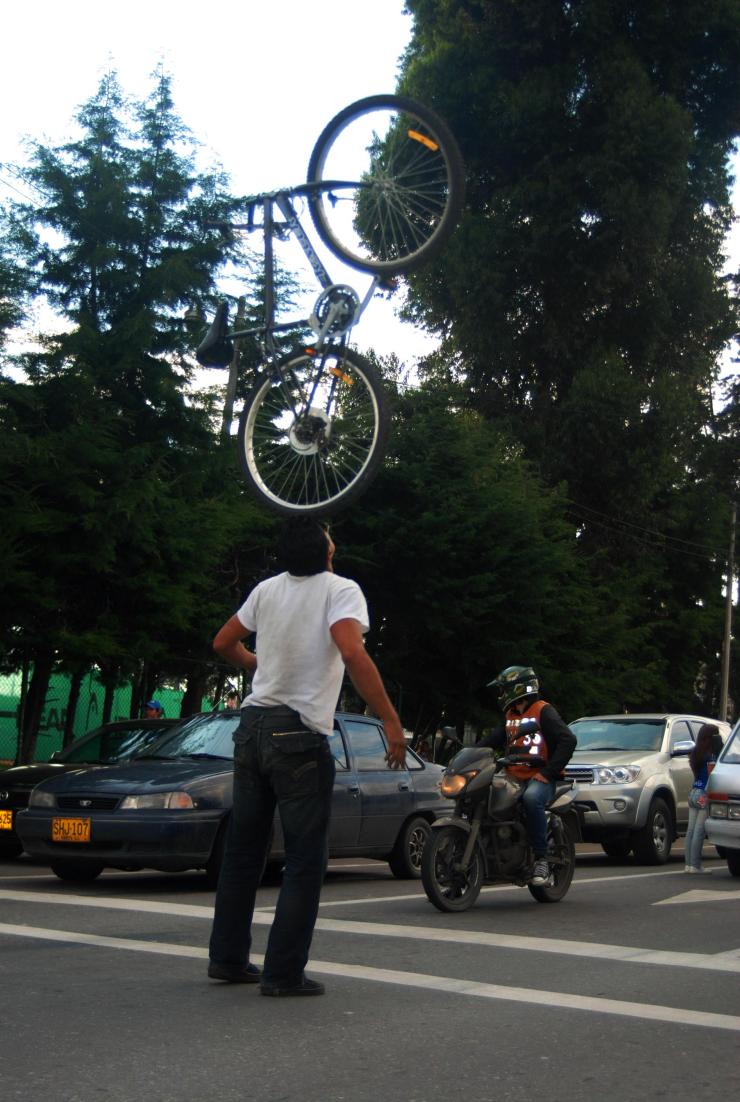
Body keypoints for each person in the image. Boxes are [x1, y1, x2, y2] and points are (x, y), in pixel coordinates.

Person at [207, 518, 405, 997]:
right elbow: (352, 653)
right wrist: (391, 722)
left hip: (251, 730)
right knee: (304, 859)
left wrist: (258, 665)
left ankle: (228, 960)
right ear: (327, 550)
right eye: (330, 534)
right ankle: (282, 973)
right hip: (297, 735)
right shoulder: (341, 591)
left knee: (242, 853)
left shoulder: (267, 590)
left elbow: (222, 642)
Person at [478, 665, 576, 885]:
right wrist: (469, 754)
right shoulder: (510, 714)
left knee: (531, 799)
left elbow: (568, 740)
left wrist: (548, 772)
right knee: (483, 794)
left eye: (504, 689)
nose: (501, 695)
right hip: (512, 776)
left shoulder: (543, 710)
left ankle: (541, 858)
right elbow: (492, 740)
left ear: (517, 688)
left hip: (540, 777)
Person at [684, 722, 722, 874]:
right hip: (704, 794)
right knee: (699, 831)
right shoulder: (712, 755)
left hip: (694, 792)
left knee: (690, 830)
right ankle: (695, 865)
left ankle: (688, 864)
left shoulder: (696, 753)